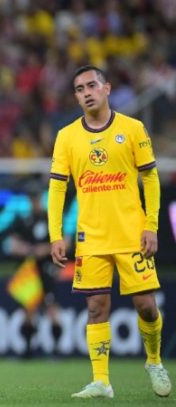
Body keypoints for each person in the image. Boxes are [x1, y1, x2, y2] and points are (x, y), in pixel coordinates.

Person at [48, 64, 171, 399]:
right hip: (91, 237)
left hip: (131, 234)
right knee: (96, 307)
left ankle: (154, 361)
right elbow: (57, 188)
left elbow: (150, 178)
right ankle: (101, 381)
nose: (86, 93)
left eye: (91, 85)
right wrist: (56, 235)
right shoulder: (67, 136)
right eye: (79, 89)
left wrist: (151, 225)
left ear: (107, 89)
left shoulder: (132, 129)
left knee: (146, 306)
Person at [6, 188, 63, 358]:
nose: (34, 203)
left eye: (36, 199)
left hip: (46, 270)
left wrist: (44, 250)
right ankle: (28, 349)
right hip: (29, 271)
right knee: (28, 308)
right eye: (31, 200)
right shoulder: (23, 221)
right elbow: (12, 245)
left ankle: (56, 350)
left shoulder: (49, 219)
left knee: (51, 307)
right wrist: (27, 250)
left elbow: (64, 242)